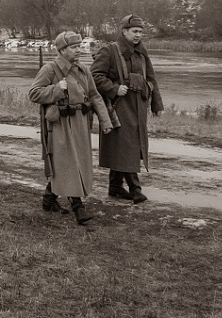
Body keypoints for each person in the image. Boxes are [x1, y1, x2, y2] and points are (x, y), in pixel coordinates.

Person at [29, 31, 113, 224]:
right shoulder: (50, 69)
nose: (78, 50)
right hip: (60, 125)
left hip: (81, 123)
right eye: (74, 47)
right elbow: (34, 93)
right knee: (69, 163)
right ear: (62, 50)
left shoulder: (83, 69)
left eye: (79, 46)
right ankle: (78, 208)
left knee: (73, 163)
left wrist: (105, 121)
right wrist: (57, 89)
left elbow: (94, 95)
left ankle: (49, 198)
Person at [91, 14, 163, 204]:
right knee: (126, 147)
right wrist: (114, 88)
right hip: (118, 107)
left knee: (125, 147)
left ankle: (115, 187)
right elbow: (94, 76)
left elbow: (151, 78)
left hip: (138, 108)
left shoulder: (142, 52)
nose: (138, 35)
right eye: (134, 31)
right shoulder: (109, 51)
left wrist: (156, 105)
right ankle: (135, 189)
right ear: (124, 31)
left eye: (140, 32)